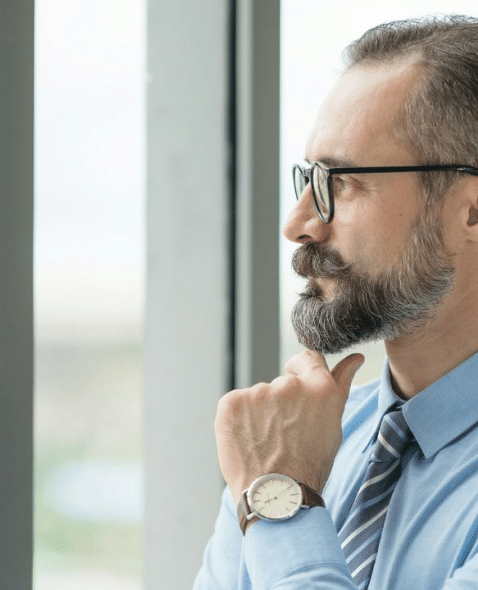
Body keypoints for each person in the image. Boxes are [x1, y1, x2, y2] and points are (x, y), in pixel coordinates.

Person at [194, 15, 478, 590]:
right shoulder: (296, 443)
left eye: (340, 181)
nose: (298, 223)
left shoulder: (281, 473)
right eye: (307, 178)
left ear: (471, 211)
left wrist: (286, 503)